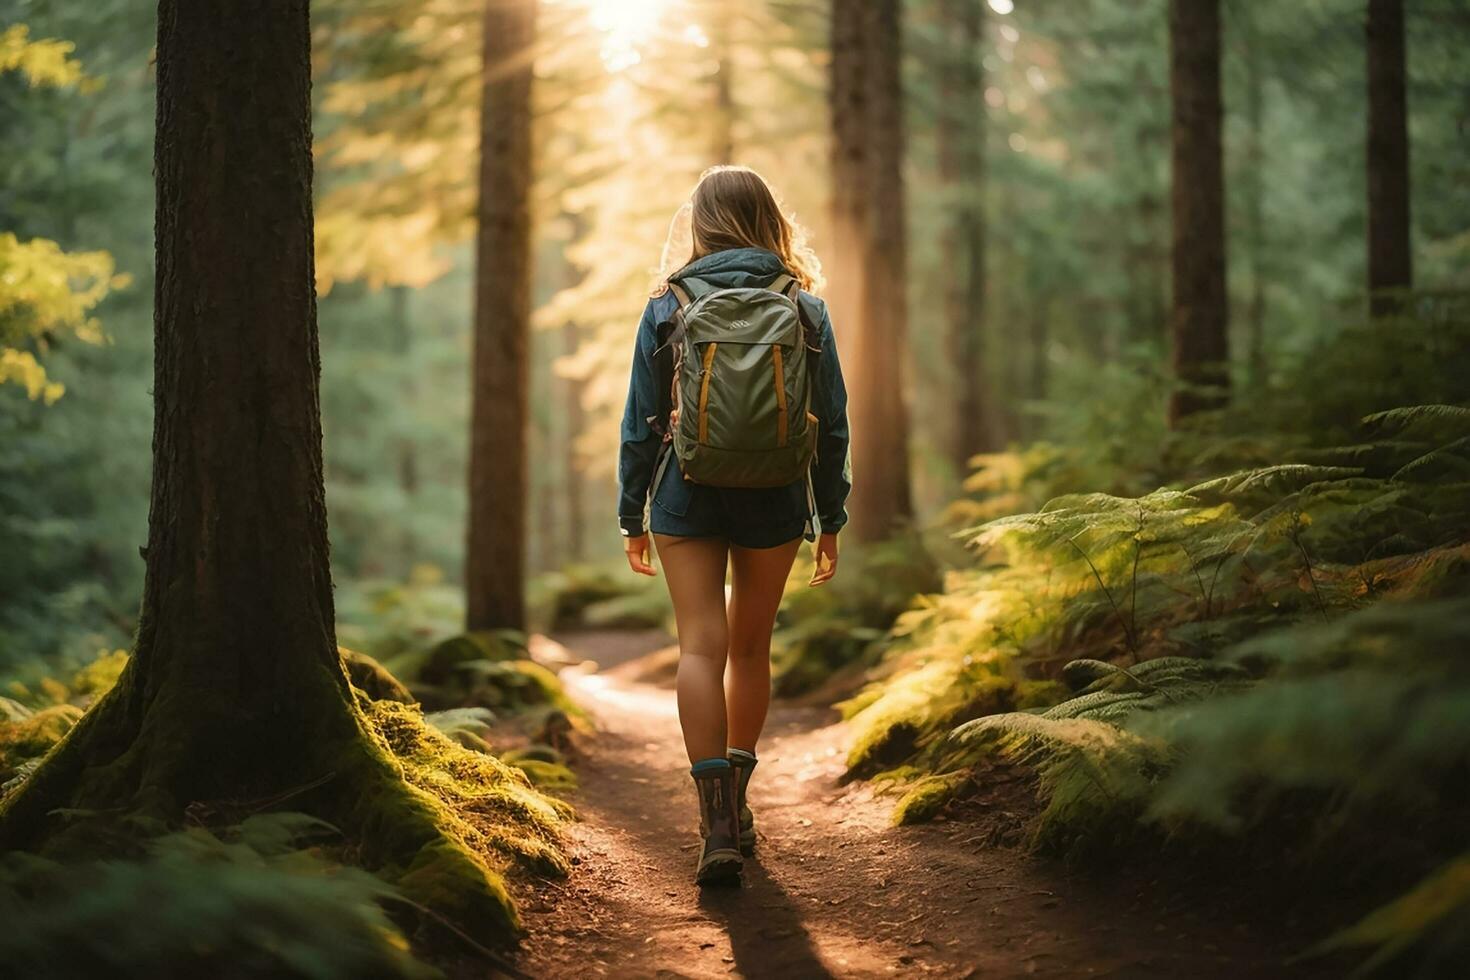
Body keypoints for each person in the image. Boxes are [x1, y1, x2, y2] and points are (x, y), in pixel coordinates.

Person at [617, 165, 852, 885]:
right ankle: (739, 804)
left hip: (684, 497)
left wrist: (632, 513)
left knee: (700, 649)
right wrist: (829, 516)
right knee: (749, 648)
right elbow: (834, 425)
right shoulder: (804, 308)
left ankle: (714, 821)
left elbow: (638, 424)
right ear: (768, 220)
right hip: (777, 497)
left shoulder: (667, 304)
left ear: (702, 222)